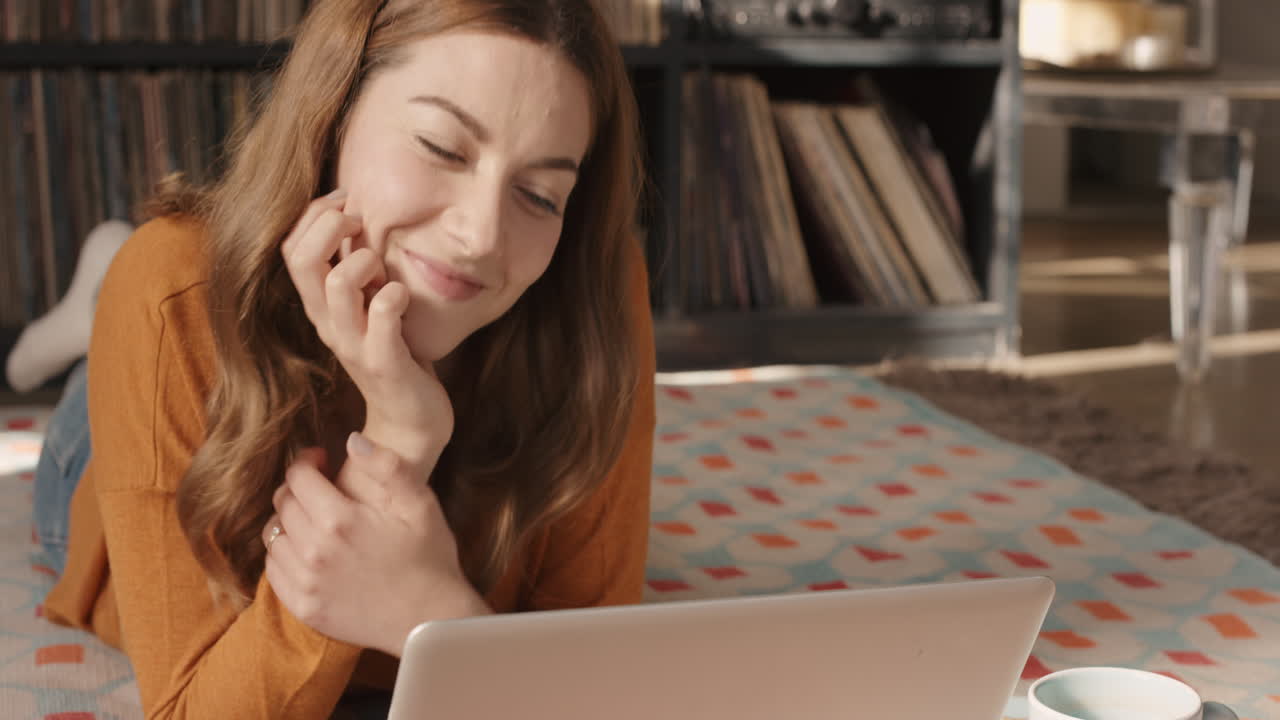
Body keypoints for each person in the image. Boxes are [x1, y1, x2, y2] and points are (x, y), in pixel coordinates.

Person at [35, 0, 657, 718]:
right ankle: (98, 296)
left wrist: (433, 613)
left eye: (539, 195)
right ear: (332, 115)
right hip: (99, 442)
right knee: (132, 310)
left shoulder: (594, 294)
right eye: (442, 147)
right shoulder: (169, 296)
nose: (482, 236)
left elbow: (589, 684)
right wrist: (396, 441)